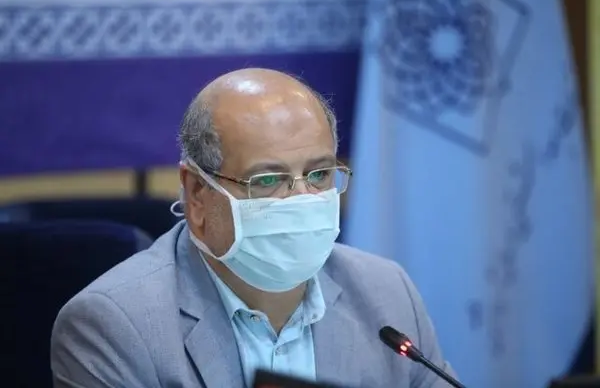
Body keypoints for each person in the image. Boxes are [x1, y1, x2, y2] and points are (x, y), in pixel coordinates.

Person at [50, 68, 455, 387]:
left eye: (319, 175)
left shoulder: (387, 294)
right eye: (268, 180)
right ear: (197, 194)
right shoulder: (115, 326)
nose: (301, 200)